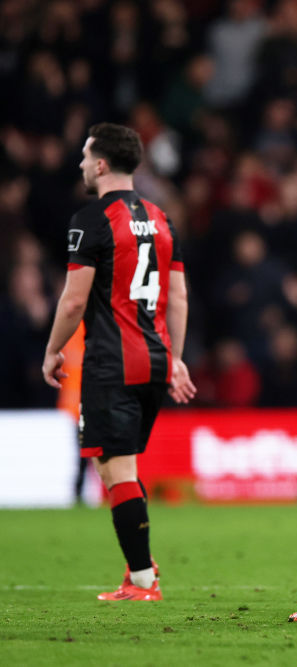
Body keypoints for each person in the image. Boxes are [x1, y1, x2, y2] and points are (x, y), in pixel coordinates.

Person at [41, 123, 196, 601]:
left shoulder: (91, 219)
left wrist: (52, 350)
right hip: (152, 361)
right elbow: (178, 297)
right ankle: (140, 568)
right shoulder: (162, 217)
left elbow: (72, 302)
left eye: (86, 157)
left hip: (112, 362)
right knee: (113, 469)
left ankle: (144, 581)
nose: (82, 164)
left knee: (118, 469)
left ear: (103, 164)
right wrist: (175, 359)